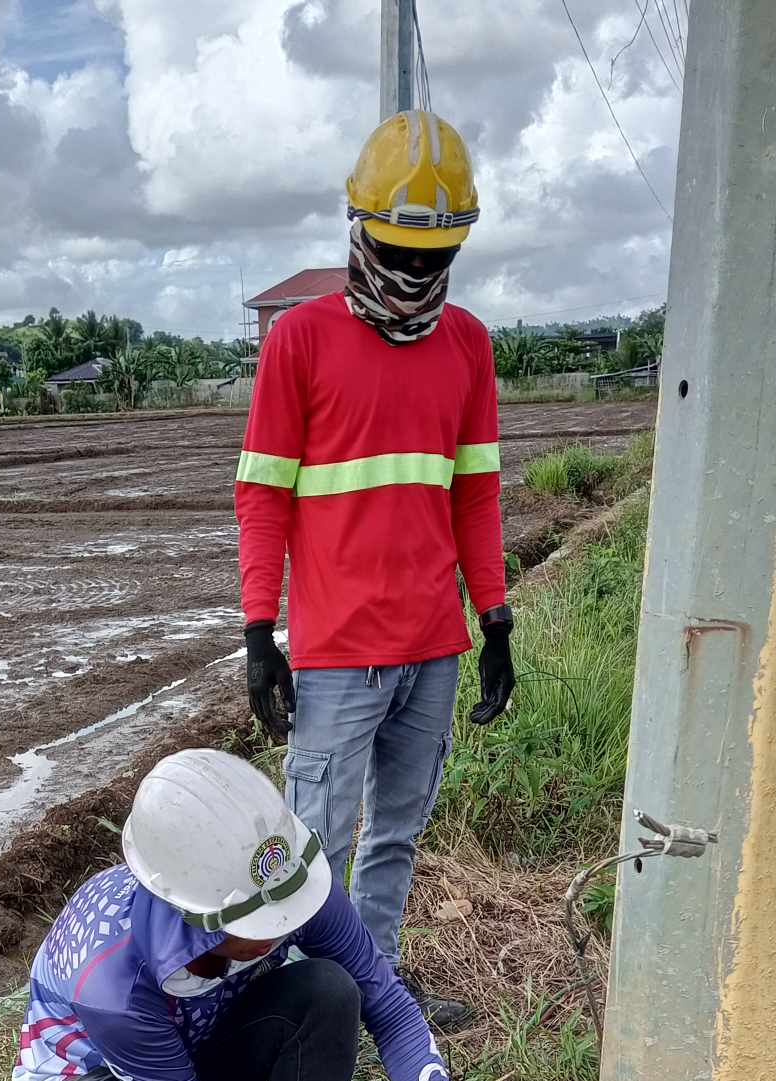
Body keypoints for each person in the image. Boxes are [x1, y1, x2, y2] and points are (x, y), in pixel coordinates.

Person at [13, 749, 512, 1081]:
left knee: (326, 988)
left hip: (199, 1037)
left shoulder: (284, 886)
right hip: (93, 1074)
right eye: (262, 925)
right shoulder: (110, 980)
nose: (287, 926)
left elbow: (388, 1007)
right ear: (196, 916)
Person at [234, 110, 514, 1033]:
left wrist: (498, 618)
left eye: (435, 255)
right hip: (338, 654)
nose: (416, 274)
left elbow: (473, 497)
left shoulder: (468, 345)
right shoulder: (301, 342)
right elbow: (263, 496)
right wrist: (257, 631)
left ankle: (374, 993)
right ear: (359, 228)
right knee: (310, 841)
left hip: (433, 645)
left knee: (395, 834)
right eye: (400, 249)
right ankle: (293, 1010)